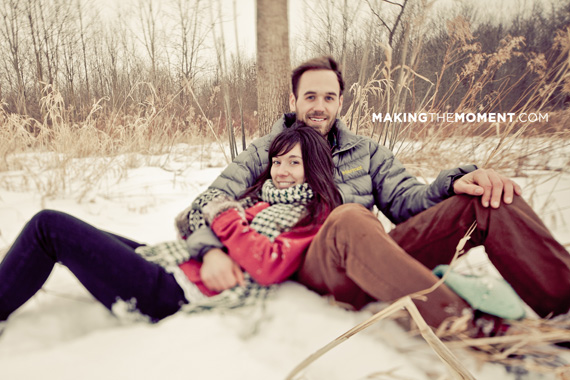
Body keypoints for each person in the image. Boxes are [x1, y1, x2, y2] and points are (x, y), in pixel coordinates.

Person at [177, 56, 570, 331]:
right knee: (347, 217)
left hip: (377, 260)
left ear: (340, 102)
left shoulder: (366, 151)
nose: (319, 106)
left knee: (489, 197)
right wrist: (210, 249)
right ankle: (464, 322)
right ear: (294, 100)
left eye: (329, 97)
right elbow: (205, 206)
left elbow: (407, 203)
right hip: (313, 266)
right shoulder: (268, 151)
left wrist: (456, 181)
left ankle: (563, 307)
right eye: (310, 96)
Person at [0, 124, 341, 330]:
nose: (280, 171)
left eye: (293, 162)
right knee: (78, 232)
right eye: (277, 162)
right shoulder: (264, 199)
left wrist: (223, 217)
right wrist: (211, 250)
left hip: (174, 294)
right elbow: (192, 222)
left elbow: (266, 264)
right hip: (178, 264)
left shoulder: (312, 216)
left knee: (49, 228)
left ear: (315, 168)